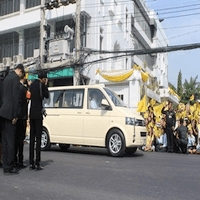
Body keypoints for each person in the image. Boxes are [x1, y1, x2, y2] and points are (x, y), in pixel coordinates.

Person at [0, 64, 25, 175]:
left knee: (4, 141)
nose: (21, 76)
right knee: (10, 141)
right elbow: (16, 97)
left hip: (3, 111)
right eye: (22, 74)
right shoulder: (15, 79)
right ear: (20, 71)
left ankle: (5, 165)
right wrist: (15, 115)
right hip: (10, 112)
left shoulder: (6, 78)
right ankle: (10, 166)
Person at [29, 70, 49, 170]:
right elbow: (47, 95)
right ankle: (37, 162)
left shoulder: (32, 85)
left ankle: (31, 162)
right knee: (38, 139)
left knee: (32, 139)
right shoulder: (42, 85)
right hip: (38, 115)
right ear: (43, 78)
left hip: (31, 113)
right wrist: (46, 85)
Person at [14, 72, 29, 168]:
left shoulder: (15, 88)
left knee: (15, 139)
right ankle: (20, 160)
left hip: (16, 116)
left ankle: (14, 159)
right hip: (22, 117)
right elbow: (28, 97)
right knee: (21, 140)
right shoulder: (24, 89)